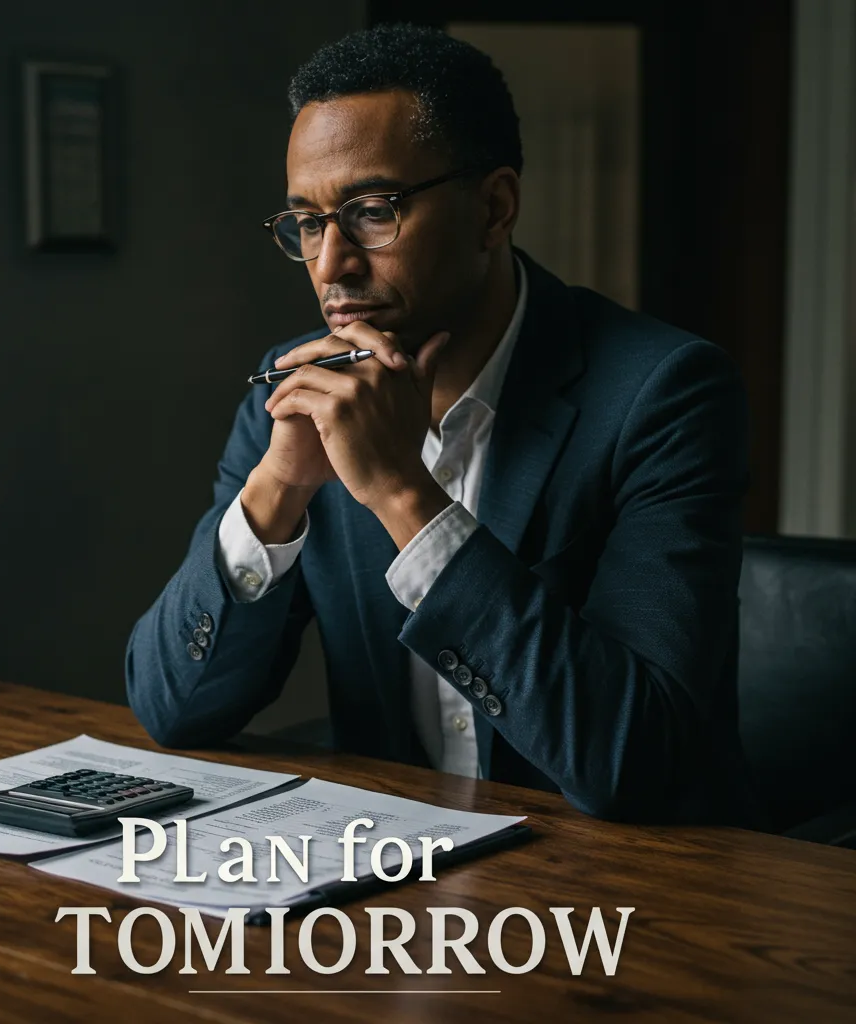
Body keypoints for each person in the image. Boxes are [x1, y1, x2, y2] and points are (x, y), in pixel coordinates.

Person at [126, 23, 758, 826]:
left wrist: (403, 494)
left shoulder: (664, 394)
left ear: (493, 208)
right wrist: (278, 488)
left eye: (372, 211)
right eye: (310, 223)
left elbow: (629, 760)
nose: (330, 265)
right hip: (401, 879)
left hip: (642, 896)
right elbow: (172, 708)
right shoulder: (296, 390)